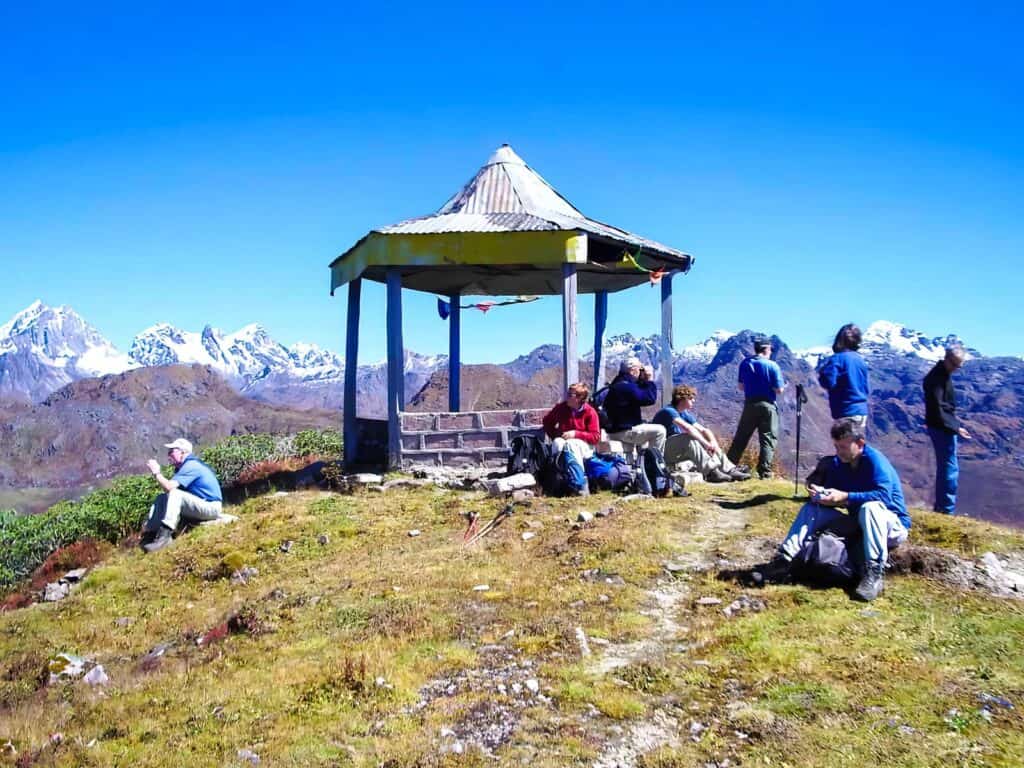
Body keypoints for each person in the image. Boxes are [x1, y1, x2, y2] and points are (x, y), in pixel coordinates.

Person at [770, 418, 910, 601]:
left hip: (891, 525)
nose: (838, 452)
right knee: (812, 509)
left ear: (859, 444)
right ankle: (784, 560)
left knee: (870, 508)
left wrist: (845, 497)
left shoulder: (876, 462)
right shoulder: (841, 463)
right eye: (836, 447)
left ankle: (874, 572)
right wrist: (820, 493)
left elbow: (884, 497)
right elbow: (833, 490)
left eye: (843, 447)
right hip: (859, 522)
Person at [653, 384, 751, 483]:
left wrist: (712, 443)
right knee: (689, 438)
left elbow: (704, 430)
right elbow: (687, 428)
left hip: (674, 451)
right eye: (691, 398)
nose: (693, 401)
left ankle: (729, 470)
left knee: (702, 439)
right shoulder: (669, 411)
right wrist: (705, 443)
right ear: (682, 399)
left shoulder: (683, 413)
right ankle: (711, 472)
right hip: (661, 452)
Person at [141, 438, 223, 553]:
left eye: (172, 451)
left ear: (183, 452)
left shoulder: (191, 466)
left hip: (211, 507)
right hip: (203, 504)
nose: (169, 455)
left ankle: (165, 537)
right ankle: (150, 536)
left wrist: (157, 473)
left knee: (174, 493)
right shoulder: (185, 467)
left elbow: (169, 487)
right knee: (162, 498)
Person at [726, 338, 785, 479]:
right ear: (767, 349)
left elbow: (741, 386)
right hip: (768, 405)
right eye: (771, 349)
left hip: (750, 404)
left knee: (741, 437)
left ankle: (728, 465)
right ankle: (764, 472)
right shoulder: (773, 366)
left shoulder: (745, 363)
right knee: (767, 439)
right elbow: (779, 390)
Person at [923, 344, 971, 514]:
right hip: (942, 428)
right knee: (949, 469)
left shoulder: (942, 375)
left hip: (944, 426)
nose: (957, 369)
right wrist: (956, 428)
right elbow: (938, 408)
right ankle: (946, 508)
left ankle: (944, 506)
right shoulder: (936, 379)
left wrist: (956, 426)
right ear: (947, 359)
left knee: (947, 467)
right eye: (955, 365)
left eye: (960, 366)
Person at [604, 357, 666, 455]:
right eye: (639, 369)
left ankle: (644, 462)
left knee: (646, 426)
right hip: (624, 431)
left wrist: (643, 380)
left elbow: (638, 390)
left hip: (615, 429)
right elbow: (649, 399)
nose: (640, 371)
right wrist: (650, 380)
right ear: (632, 370)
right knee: (660, 431)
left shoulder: (618, 383)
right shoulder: (626, 386)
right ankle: (653, 463)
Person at [818, 323, 870, 428]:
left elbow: (828, 382)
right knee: (856, 442)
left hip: (846, 411)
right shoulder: (860, 360)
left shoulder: (837, 359)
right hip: (861, 411)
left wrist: (823, 373)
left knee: (843, 443)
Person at [542, 382, 601, 466]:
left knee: (571, 445)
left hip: (583, 446)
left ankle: (577, 474)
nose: (566, 397)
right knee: (557, 443)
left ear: (579, 398)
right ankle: (559, 472)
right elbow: (547, 422)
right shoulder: (561, 408)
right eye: (567, 393)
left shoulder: (590, 412)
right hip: (564, 442)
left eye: (570, 395)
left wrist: (576, 434)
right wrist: (556, 435)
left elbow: (595, 437)